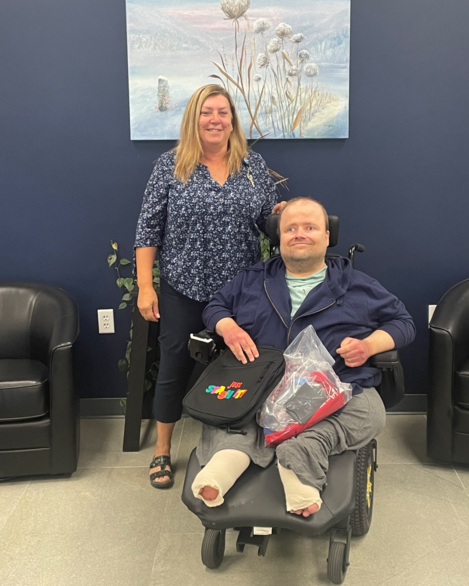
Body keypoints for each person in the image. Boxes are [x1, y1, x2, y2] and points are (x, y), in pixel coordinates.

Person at [191, 197, 416, 517]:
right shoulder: (253, 279)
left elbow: (403, 324)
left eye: (310, 227)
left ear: (327, 236)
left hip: (331, 387)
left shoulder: (357, 285)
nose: (300, 234)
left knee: (369, 413)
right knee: (224, 412)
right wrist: (228, 328)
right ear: (278, 237)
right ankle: (229, 460)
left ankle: (303, 451)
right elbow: (215, 307)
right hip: (260, 384)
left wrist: (368, 346)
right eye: (291, 228)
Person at [135, 84, 284, 490]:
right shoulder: (170, 166)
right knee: (174, 367)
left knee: (243, 367)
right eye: (206, 112)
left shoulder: (252, 166)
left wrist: (280, 215)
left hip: (241, 292)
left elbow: (265, 225)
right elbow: (148, 229)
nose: (215, 119)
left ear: (232, 120)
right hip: (184, 287)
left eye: (222, 112)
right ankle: (162, 450)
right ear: (194, 119)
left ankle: (236, 446)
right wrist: (145, 287)